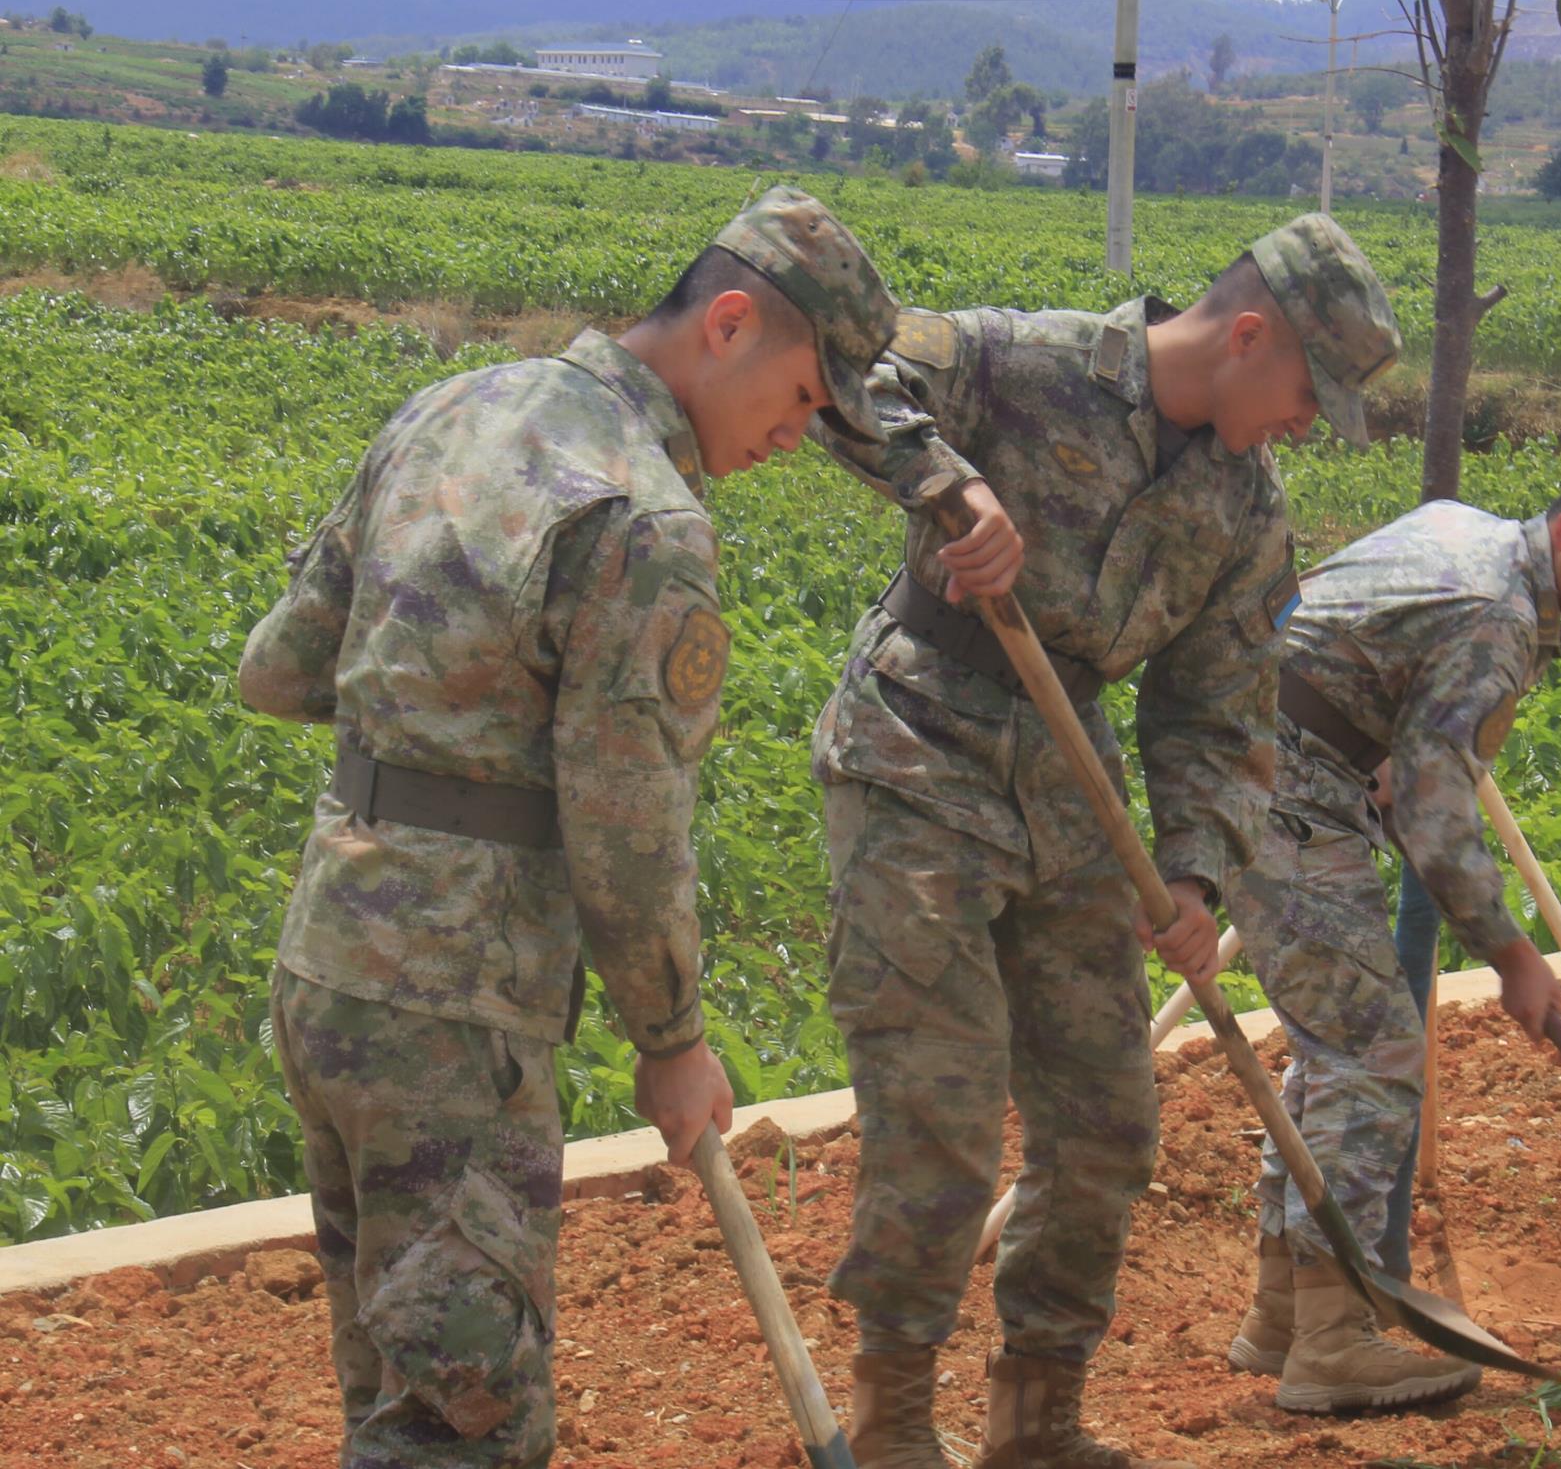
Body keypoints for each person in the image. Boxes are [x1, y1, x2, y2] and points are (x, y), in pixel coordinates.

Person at [236, 187, 899, 1469]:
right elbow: (627, 826)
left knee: (394, 1386)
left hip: (329, 970)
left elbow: (278, 666)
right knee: (462, 1423)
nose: (797, 434)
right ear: (727, 323)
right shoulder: (644, 518)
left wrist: (436, 698)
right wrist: (673, 1038)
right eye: (807, 396)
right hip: (457, 1011)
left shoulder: (456, 407)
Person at [809, 213, 1402, 1469]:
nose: (1306, 422)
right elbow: (845, 365)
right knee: (943, 1109)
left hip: (1072, 800)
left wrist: (1194, 869)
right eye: (1308, 391)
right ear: (1247, 336)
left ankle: (1035, 1419)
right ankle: (893, 1423)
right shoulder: (1018, 361)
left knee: (1105, 1118)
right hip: (918, 750)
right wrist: (944, 481)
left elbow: (1217, 705)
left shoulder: (1244, 503)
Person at [1222, 428, 1561, 1414]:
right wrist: (1508, 950)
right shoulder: (1496, 613)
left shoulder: (1467, 534)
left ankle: (1283, 1312)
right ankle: (1331, 1340)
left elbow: (1366, 688)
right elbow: (1432, 797)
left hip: (1252, 758)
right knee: (1369, 1055)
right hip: (1275, 782)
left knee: (1335, 1045)